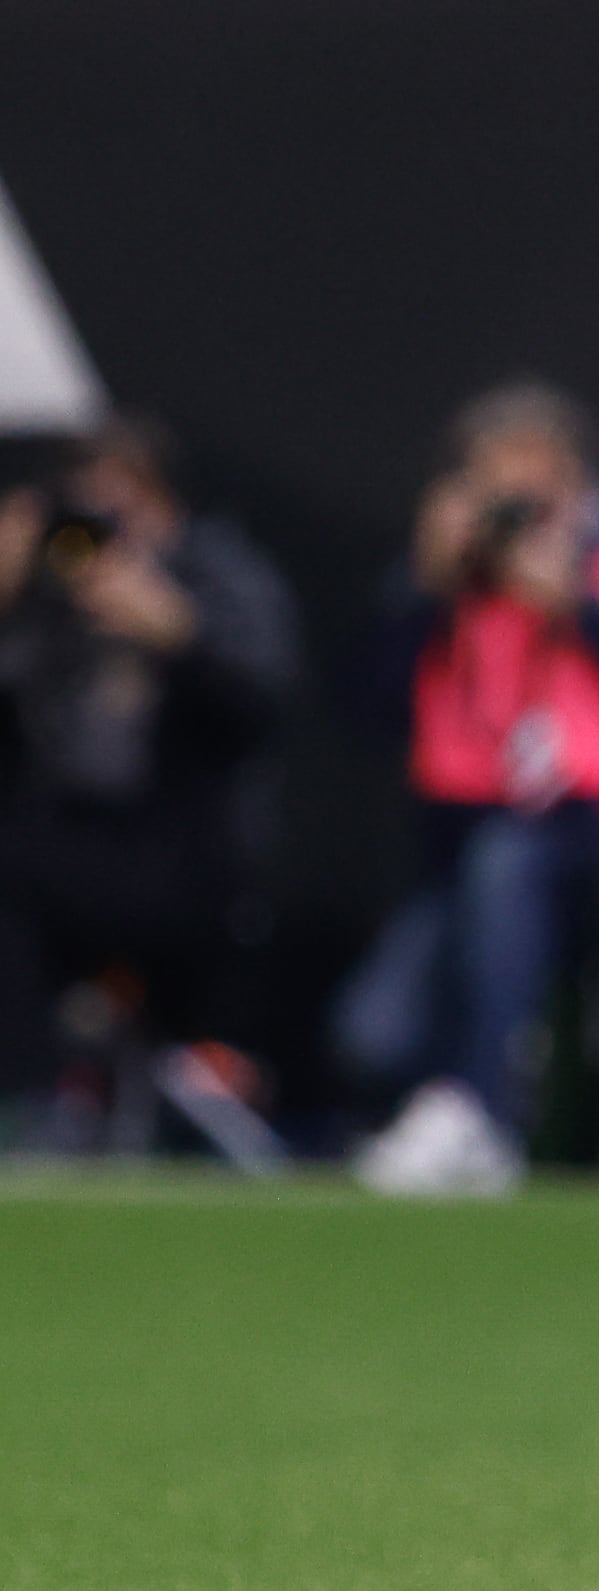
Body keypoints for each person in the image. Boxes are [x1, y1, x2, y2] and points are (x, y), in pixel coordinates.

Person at [339, 382, 599, 1195]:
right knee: (369, 1036)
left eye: (528, 480)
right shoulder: (454, 575)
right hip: (458, 829)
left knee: (506, 865)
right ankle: (450, 1100)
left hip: (598, 828)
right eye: (491, 482)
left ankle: (485, 1116)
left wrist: (585, 605)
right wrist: (423, 586)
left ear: (570, 475)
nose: (512, 504)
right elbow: (364, 708)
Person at [0, 415, 298, 1128]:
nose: (105, 529)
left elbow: (262, 708)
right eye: (87, 507)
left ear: (162, 505)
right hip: (67, 840)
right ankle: (34, 1102)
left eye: (121, 505)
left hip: (190, 855)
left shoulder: (217, 576)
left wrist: (179, 634)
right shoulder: (51, 593)